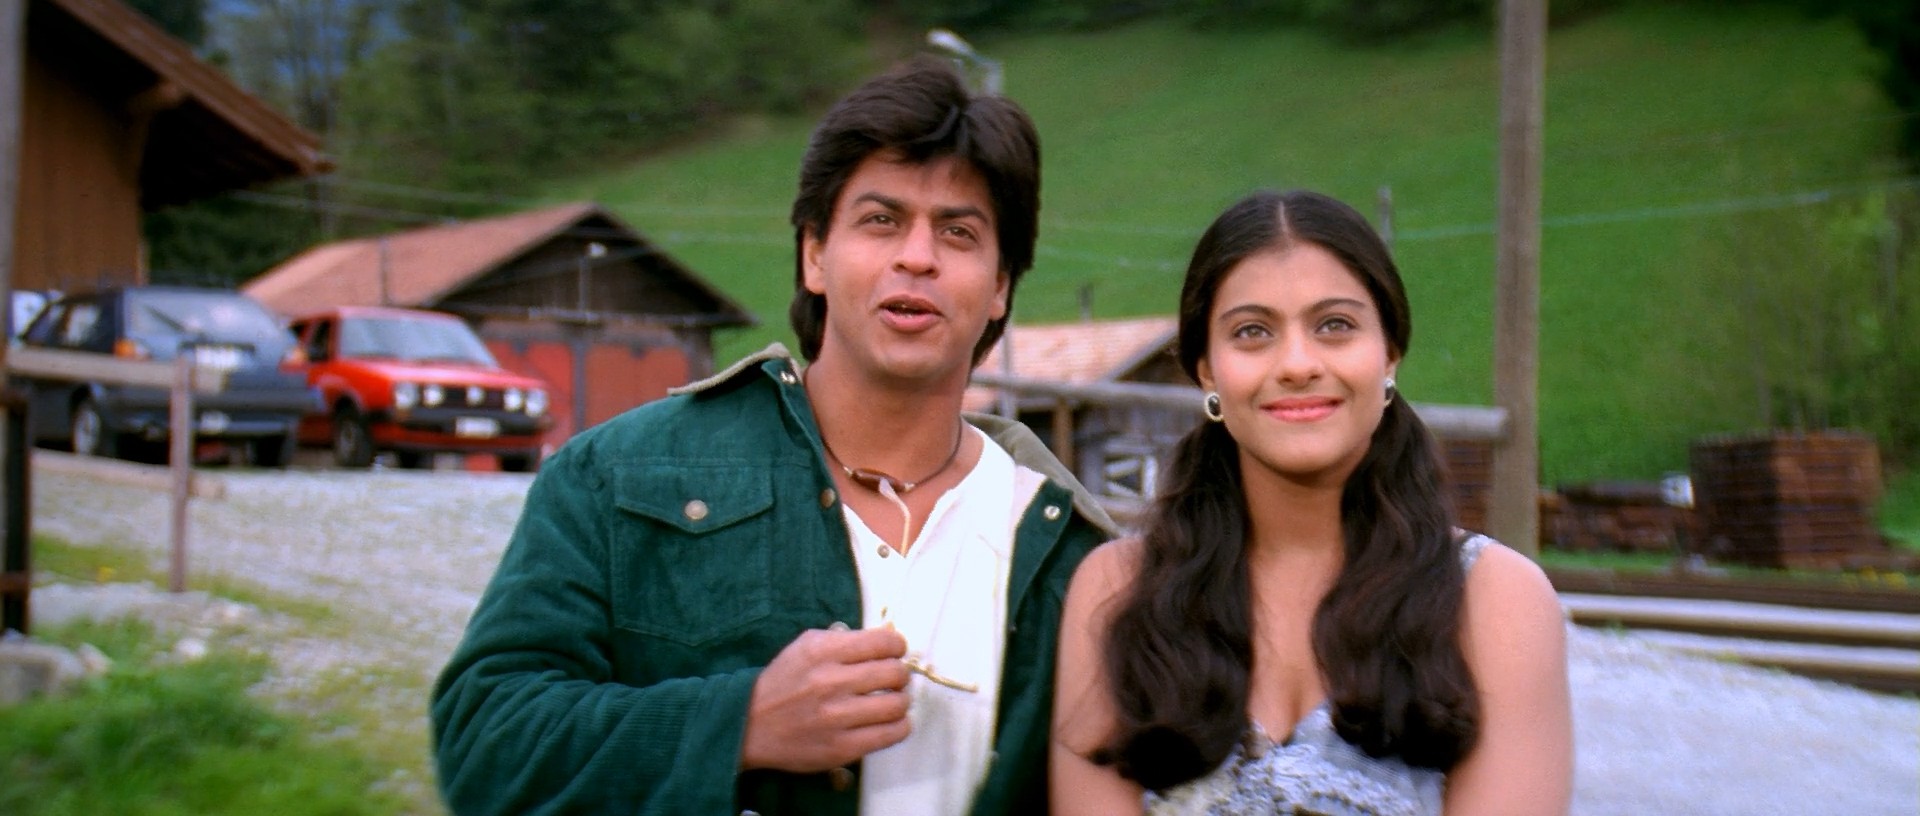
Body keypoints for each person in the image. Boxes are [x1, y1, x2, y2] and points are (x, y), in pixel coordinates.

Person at [430, 58, 1117, 816]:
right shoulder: (618, 473)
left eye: (958, 232)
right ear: (815, 254)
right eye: (881, 220)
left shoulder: (1065, 550)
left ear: (1000, 288)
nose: (917, 256)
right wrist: (739, 723)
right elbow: (484, 746)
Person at [1050, 190, 1573, 814]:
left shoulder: (1496, 600)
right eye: (1252, 332)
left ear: (1389, 353)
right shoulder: (1117, 594)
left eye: (1335, 325)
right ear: (1207, 370)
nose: (1297, 364)